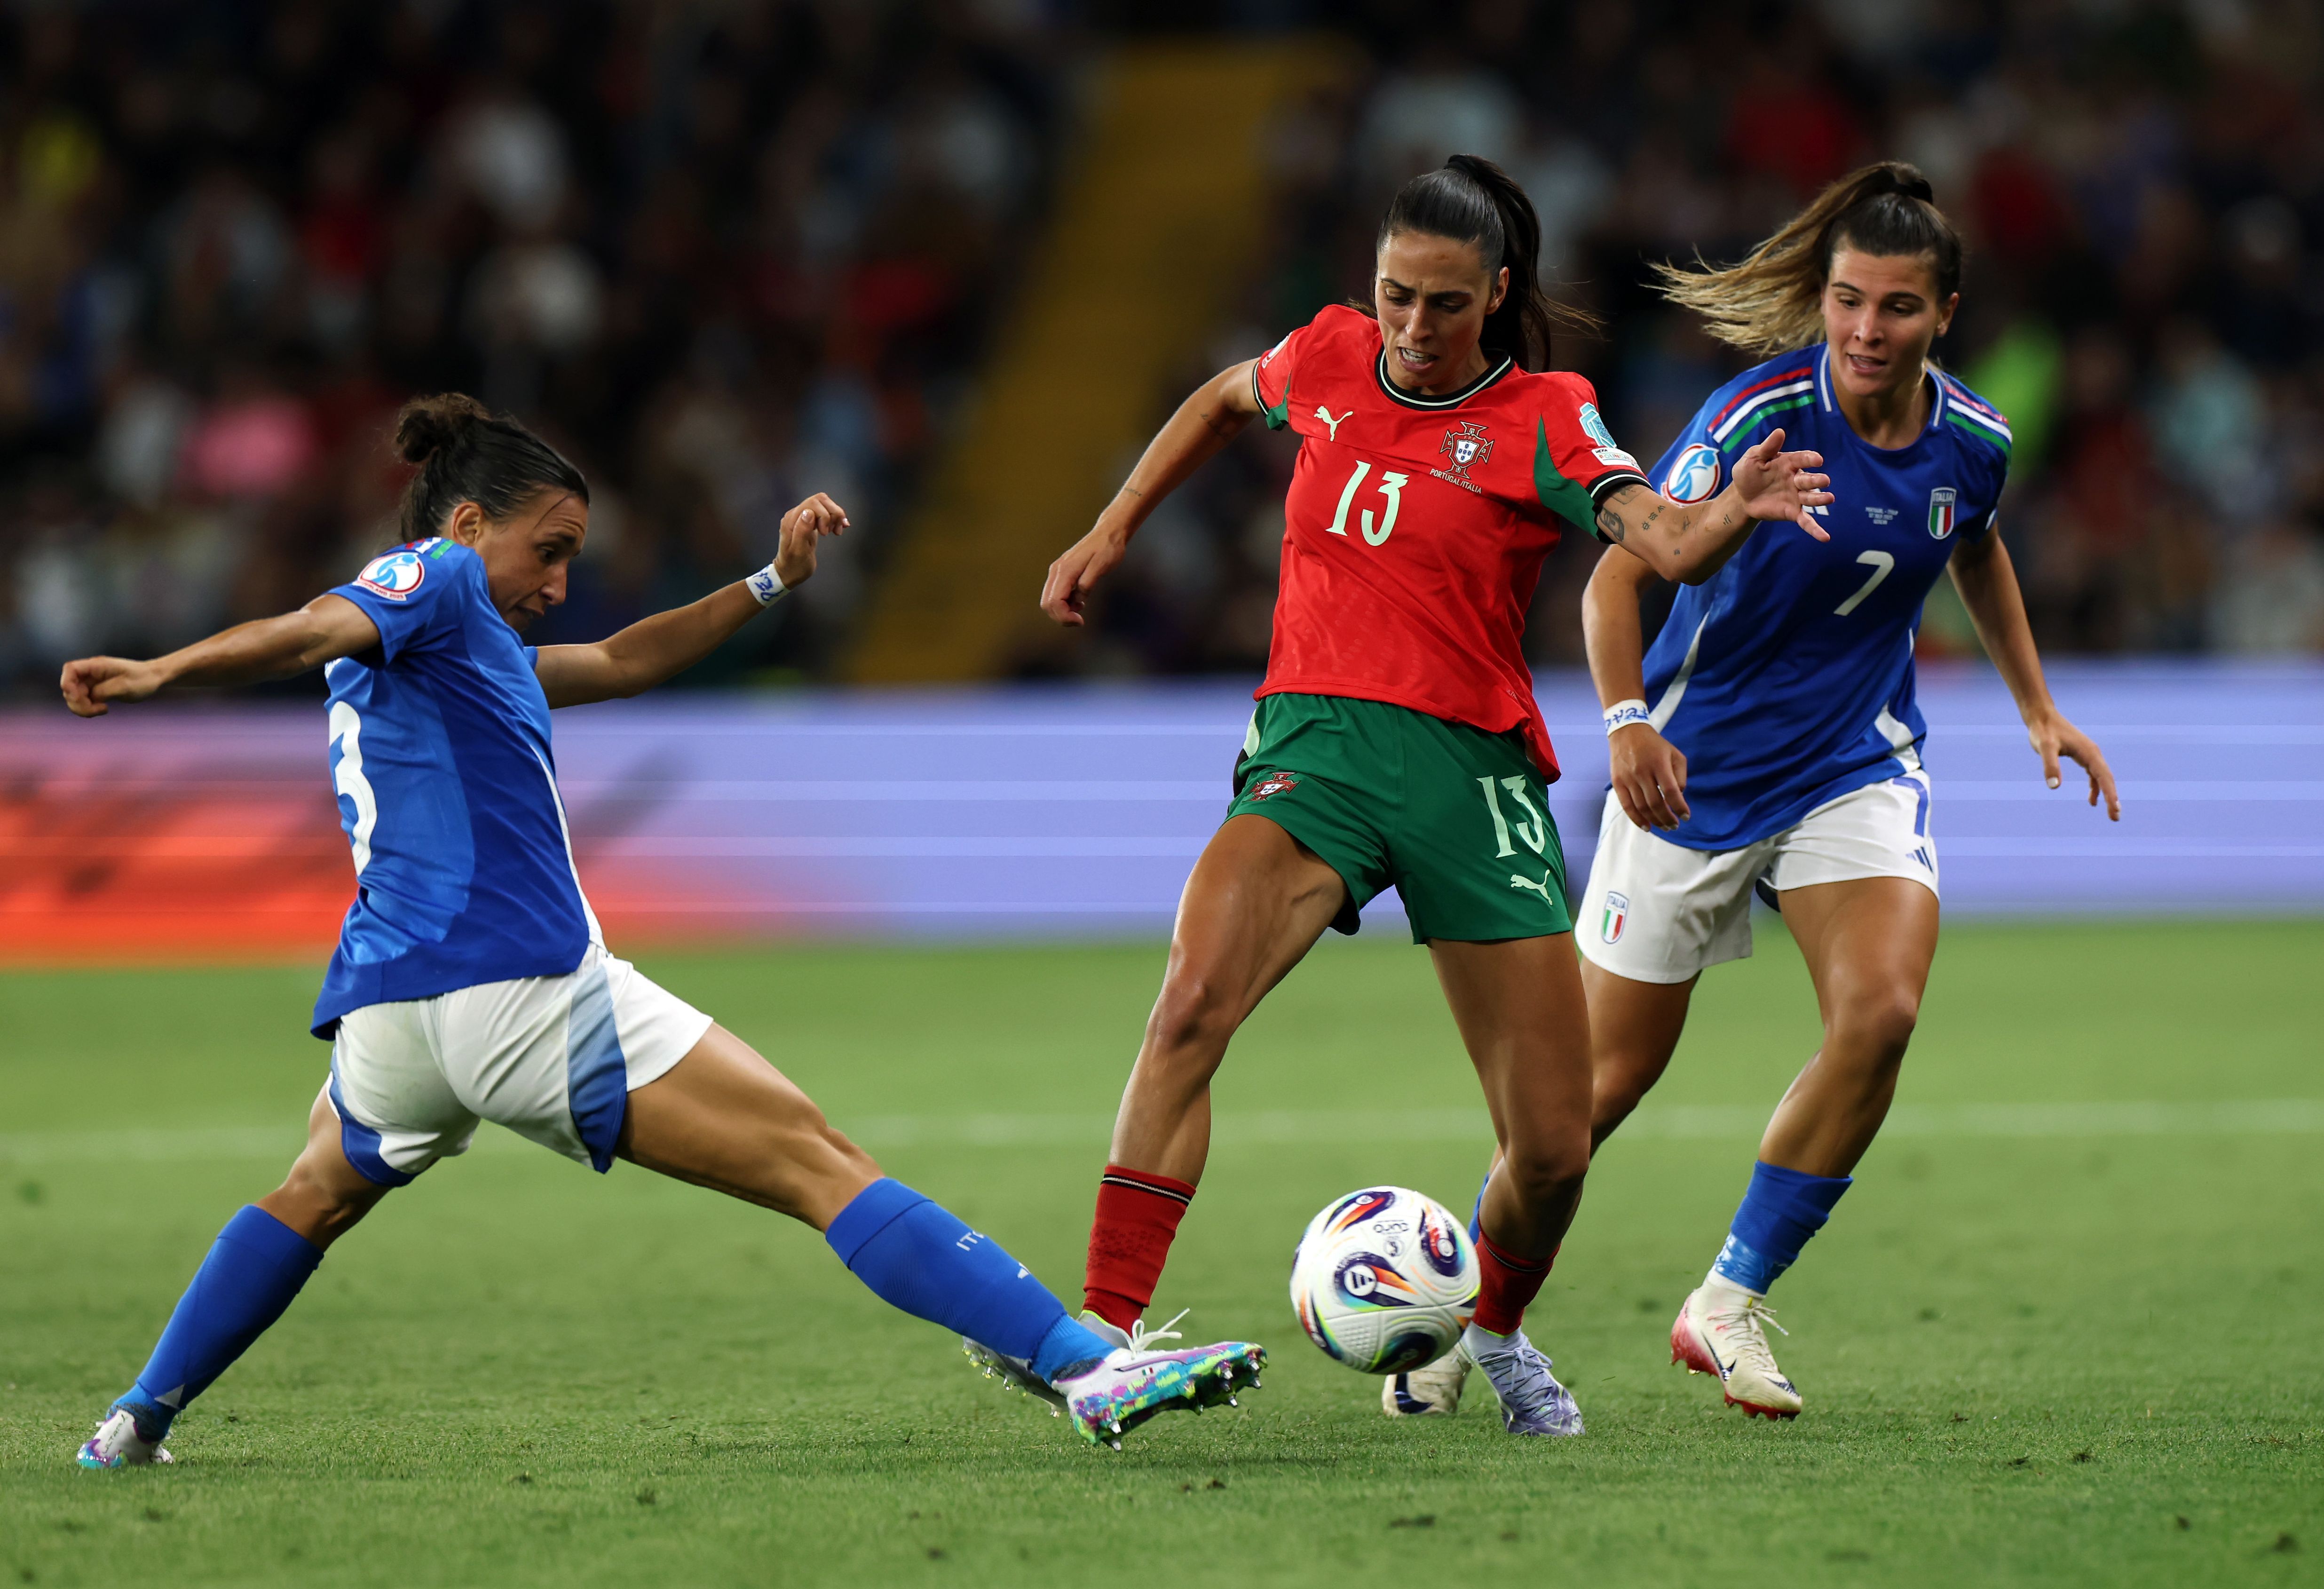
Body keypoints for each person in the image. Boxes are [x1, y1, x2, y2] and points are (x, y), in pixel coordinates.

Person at [63, 395, 1262, 1469]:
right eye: (551, 549)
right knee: (816, 1160)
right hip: (519, 986)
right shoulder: (427, 577)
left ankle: (136, 1419)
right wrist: (165, 674)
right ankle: (1085, 1368)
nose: (560, 580)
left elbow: (629, 660)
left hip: (388, 1013)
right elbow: (317, 622)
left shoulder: (463, 656)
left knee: (310, 1194)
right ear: (471, 522)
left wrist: (773, 580)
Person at [1035, 156, 1834, 1437]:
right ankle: (1100, 1343)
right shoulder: (1328, 355)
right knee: (1187, 1005)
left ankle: (1498, 1334)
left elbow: (1663, 543)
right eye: (1394, 295)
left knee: (1553, 1144)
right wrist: (1113, 523)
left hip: (1472, 779)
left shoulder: (1546, 415)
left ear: (1495, 294)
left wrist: (1727, 509)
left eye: (1443, 305)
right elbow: (1222, 399)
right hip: (1316, 753)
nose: (1410, 328)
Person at [1450, 161, 2115, 1422]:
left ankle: (1725, 1301)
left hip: (1852, 761)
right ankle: (1470, 1318)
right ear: (1821, 301)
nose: (1868, 330)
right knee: (1585, 1104)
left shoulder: (1972, 439)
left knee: (1880, 1011)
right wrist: (1628, 721)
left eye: (1897, 308)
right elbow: (1613, 582)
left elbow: (1972, 547)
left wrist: (2034, 704)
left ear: (1943, 312)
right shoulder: (1753, 416)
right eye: (1850, 302)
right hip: (1689, 778)